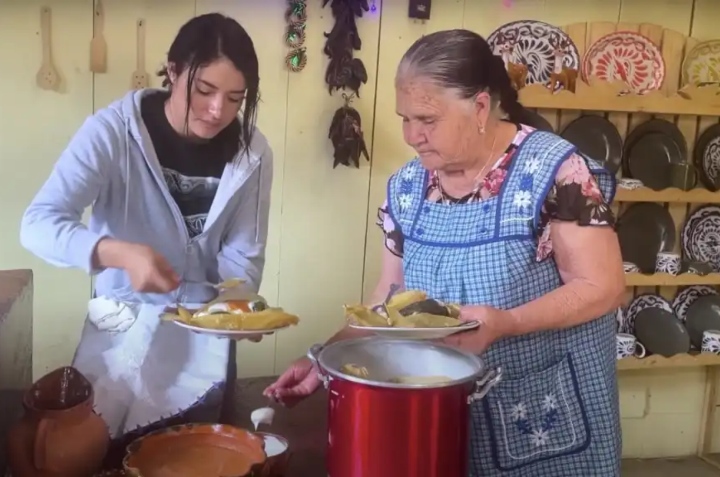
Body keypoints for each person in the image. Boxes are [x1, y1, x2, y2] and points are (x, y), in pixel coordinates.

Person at [265, 29, 625, 476]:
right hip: (443, 417)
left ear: (478, 107)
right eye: (405, 118)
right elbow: (389, 298)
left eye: (427, 120)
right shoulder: (407, 187)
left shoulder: (557, 170)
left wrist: (506, 323)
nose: (413, 135)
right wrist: (322, 360)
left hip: (545, 415)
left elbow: (602, 287)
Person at [20, 13, 271, 465]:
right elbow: (38, 223)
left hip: (206, 337)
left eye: (236, 98)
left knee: (198, 460)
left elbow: (242, 253)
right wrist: (116, 253)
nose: (218, 111)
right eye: (205, 90)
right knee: (102, 455)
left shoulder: (253, 152)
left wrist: (238, 308)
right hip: (122, 329)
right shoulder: (113, 132)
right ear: (173, 71)